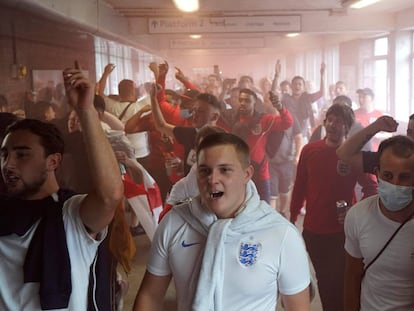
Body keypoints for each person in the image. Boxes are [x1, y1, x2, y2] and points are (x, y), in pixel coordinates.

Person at [133, 132, 311, 311]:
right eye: (205, 171)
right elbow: (150, 296)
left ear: (246, 174)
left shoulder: (281, 235)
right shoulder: (175, 223)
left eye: (225, 170)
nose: (213, 180)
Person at [0, 66, 124, 310]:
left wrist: (85, 110)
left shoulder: (71, 215)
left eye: (22, 155)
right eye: (4, 155)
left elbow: (110, 196)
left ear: (53, 161)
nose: (8, 164)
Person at [290, 103, 378, 311]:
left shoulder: (352, 155)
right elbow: (300, 185)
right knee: (325, 280)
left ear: (347, 127)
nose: (332, 124)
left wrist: (358, 214)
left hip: (344, 232)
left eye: (338, 121)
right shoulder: (310, 151)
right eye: (330, 120)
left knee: (342, 281)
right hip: (313, 231)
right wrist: (292, 217)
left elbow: (371, 187)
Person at [344, 135, 414, 310]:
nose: (395, 184)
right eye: (388, 175)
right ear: (377, 174)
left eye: (404, 177)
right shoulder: (358, 216)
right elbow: (352, 276)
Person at [231, 88, 293, 202]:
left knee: (264, 209)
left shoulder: (263, 119)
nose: (243, 103)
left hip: (260, 174)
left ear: (255, 103)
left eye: (247, 101)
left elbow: (287, 123)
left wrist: (280, 108)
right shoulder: (230, 118)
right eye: (241, 100)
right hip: (236, 173)